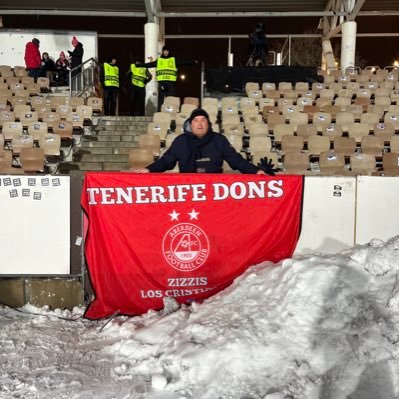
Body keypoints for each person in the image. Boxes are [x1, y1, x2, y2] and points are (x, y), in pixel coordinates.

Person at [135, 108, 276, 175]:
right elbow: (166, 161)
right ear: (190, 124)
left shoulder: (218, 140)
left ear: (208, 124)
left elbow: (236, 160)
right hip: (188, 189)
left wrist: (256, 171)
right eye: (195, 120)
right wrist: (149, 169)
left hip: (213, 190)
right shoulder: (181, 141)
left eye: (203, 120)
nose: (199, 123)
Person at [143, 45, 198, 111]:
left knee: (170, 99)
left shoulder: (173, 60)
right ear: (162, 52)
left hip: (170, 83)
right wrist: (139, 65)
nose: (166, 52)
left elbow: (183, 62)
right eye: (164, 51)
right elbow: (149, 64)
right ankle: (160, 112)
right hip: (162, 83)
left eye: (167, 51)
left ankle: (169, 112)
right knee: (161, 98)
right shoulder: (159, 60)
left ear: (169, 52)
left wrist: (193, 62)